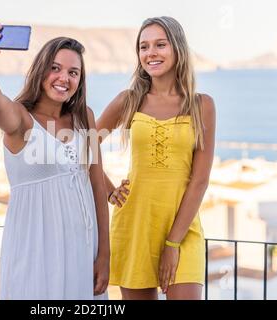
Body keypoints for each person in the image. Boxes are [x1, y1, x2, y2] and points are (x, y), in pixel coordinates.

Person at [0, 20, 109, 299]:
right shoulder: (20, 119)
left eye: (73, 72)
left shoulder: (86, 117)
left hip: (83, 248)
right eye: (55, 68)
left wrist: (104, 254)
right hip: (35, 250)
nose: (63, 78)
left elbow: (97, 186)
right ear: (41, 70)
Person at [96, 16, 216, 300]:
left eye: (160, 45)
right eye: (144, 46)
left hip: (183, 230)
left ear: (177, 49)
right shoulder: (129, 100)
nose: (151, 53)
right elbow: (84, 147)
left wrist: (172, 243)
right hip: (135, 225)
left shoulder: (202, 105)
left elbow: (199, 181)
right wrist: (110, 191)